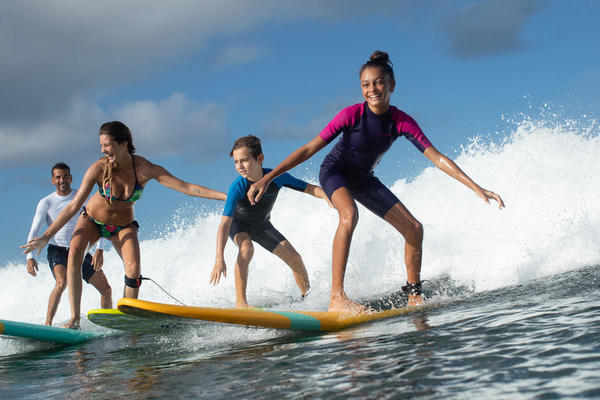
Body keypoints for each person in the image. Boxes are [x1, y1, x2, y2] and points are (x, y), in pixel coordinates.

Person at [247, 51, 505, 313]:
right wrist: (269, 177)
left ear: (392, 85)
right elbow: (309, 149)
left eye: (379, 82)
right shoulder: (351, 115)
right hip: (335, 172)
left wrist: (476, 187)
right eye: (366, 84)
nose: (372, 89)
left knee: (414, 228)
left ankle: (414, 294)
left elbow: (437, 158)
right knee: (349, 214)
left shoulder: (400, 121)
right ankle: (336, 297)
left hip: (364, 179)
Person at [22, 121, 227, 328]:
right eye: (101, 145)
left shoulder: (145, 169)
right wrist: (46, 237)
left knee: (134, 269)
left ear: (123, 144)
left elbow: (186, 187)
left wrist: (225, 197)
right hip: (92, 220)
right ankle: (75, 318)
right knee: (75, 252)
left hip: (123, 225)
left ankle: (129, 316)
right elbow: (74, 205)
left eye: (107, 145)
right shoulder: (98, 169)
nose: (103, 150)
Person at [209, 135, 330, 308]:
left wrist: (327, 196)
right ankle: (241, 303)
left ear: (260, 159)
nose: (239, 166)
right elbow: (224, 224)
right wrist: (219, 258)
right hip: (239, 225)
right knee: (246, 248)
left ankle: (309, 300)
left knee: (295, 259)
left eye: (244, 160)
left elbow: (310, 188)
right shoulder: (237, 187)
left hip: (262, 226)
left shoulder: (277, 177)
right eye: (236, 162)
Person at [26, 162, 112, 326]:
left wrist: (99, 249)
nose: (62, 180)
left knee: (106, 289)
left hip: (81, 250)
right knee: (62, 282)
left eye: (65, 176)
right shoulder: (46, 202)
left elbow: (99, 222)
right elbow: (34, 231)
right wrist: (29, 257)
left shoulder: (81, 197)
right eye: (58, 177)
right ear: (52, 180)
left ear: (71, 178)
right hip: (57, 251)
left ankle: (107, 326)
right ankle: (47, 325)